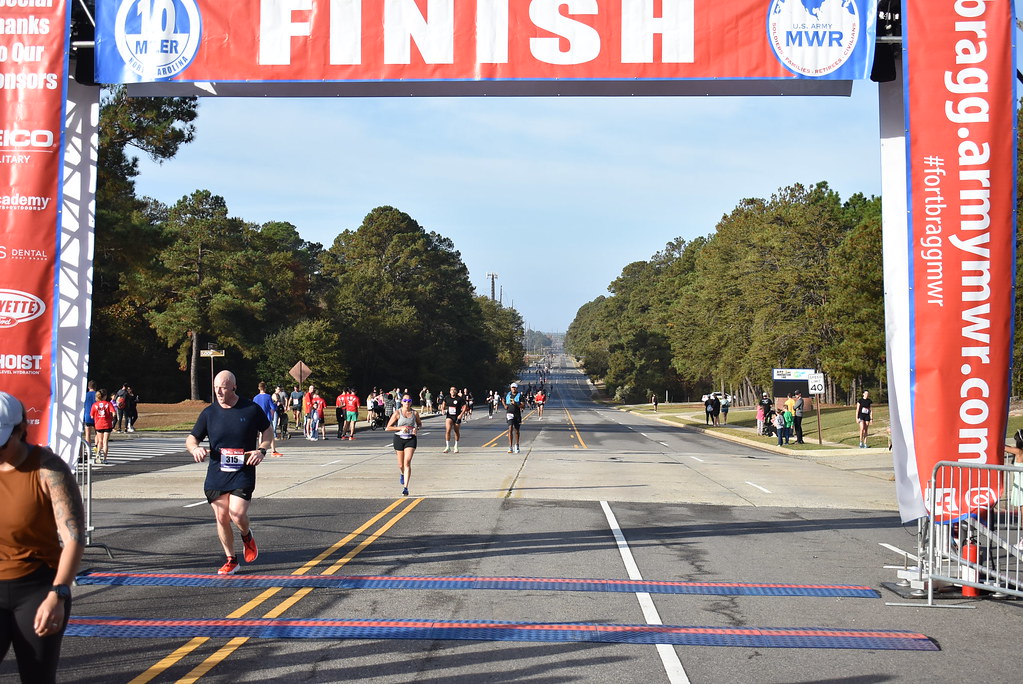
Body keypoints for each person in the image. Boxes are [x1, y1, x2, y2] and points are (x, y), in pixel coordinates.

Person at [0, 391, 85, 684]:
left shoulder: (48, 469)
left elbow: (73, 537)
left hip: (37, 589)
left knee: (37, 676)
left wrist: (58, 594)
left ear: (21, 429)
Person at [185, 370, 273, 575]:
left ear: (233, 386)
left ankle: (246, 534)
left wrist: (261, 450)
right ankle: (231, 559)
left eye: (223, 387)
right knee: (222, 516)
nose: (219, 392)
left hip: (243, 469)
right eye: (216, 388)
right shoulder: (209, 413)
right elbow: (191, 438)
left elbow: (267, 431)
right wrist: (195, 448)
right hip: (217, 472)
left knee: (237, 513)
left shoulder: (250, 409)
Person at [387, 393, 422, 497]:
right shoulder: (398, 413)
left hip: (411, 439)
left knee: (407, 462)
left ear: (411, 402)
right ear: (402, 402)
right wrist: (400, 428)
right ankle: (402, 474)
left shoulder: (415, 413)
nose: (407, 403)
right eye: (405, 401)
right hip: (399, 438)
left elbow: (419, 424)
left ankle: (405, 488)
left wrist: (417, 428)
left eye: (409, 401)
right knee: (401, 465)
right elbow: (388, 427)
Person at [89, 389, 116, 464]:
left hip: (98, 424)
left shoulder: (94, 405)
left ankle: (98, 454)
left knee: (100, 441)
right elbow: (114, 413)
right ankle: (105, 458)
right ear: (105, 396)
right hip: (107, 424)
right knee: (105, 442)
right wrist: (111, 417)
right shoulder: (108, 404)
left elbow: (91, 416)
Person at [252, 382, 279, 455]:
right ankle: (273, 450)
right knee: (270, 434)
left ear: (259, 388)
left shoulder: (255, 398)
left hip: (258, 418)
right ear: (265, 388)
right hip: (266, 417)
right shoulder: (268, 397)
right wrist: (276, 403)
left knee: (261, 434)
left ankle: (260, 449)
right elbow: (273, 407)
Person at [439, 386, 466, 453]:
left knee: (456, 431)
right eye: (451, 390)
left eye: (454, 390)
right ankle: (447, 446)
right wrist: (443, 409)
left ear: (456, 391)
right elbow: (444, 403)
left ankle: (456, 446)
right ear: (450, 391)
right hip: (449, 416)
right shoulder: (447, 398)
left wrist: (461, 414)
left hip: (457, 416)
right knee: (448, 430)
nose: (453, 391)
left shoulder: (459, 399)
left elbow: (465, 406)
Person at [502, 382, 525, 454]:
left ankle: (517, 445)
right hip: (509, 413)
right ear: (510, 388)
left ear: (516, 388)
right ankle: (510, 446)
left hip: (517, 414)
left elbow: (523, 405)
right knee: (510, 428)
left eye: (514, 387)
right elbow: (503, 399)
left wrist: (516, 404)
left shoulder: (520, 396)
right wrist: (505, 405)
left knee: (517, 430)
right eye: (512, 387)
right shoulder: (508, 394)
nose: (513, 389)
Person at [82, 381, 96, 454]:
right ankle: (97, 449)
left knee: (88, 434)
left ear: (88, 387)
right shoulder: (97, 395)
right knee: (98, 434)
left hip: (87, 415)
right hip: (96, 416)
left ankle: (88, 451)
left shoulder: (85, 395)